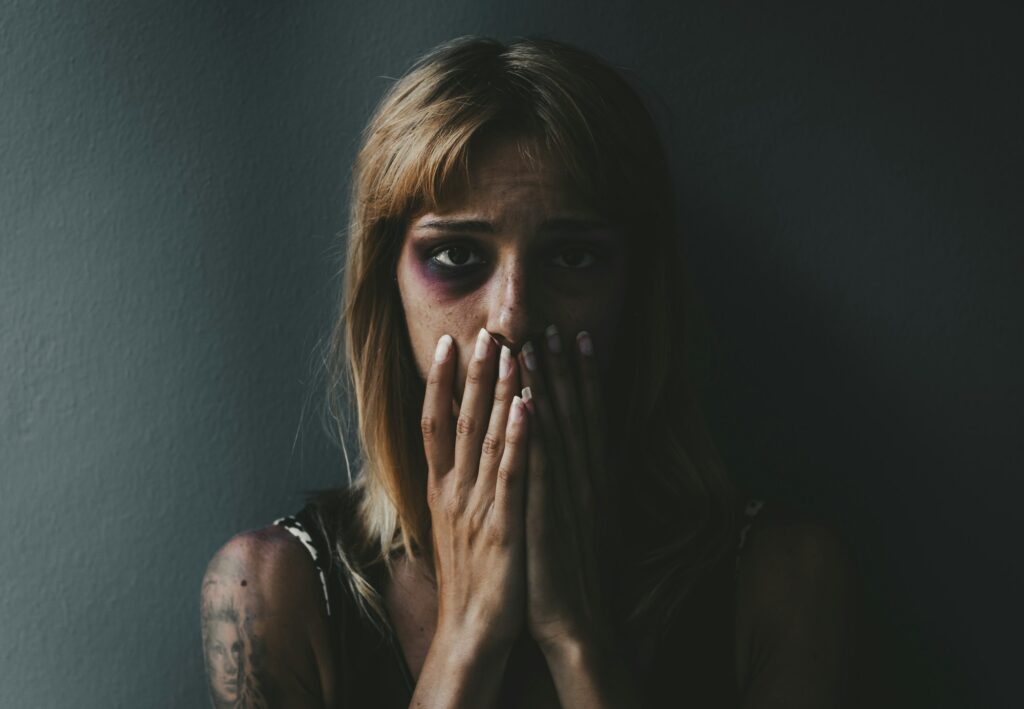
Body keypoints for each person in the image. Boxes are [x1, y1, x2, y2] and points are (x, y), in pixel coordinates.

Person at [200, 35, 863, 708]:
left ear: (636, 286)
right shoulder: (271, 591)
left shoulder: (781, 581)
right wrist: (468, 634)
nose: (513, 316)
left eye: (572, 257)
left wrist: (577, 638)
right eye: (458, 254)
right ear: (386, 286)